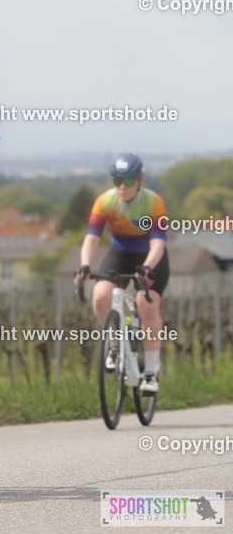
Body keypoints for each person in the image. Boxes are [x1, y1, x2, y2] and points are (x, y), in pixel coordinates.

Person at [74, 153, 167, 394]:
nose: (122, 187)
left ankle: (151, 372)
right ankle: (115, 343)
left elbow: (158, 242)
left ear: (140, 181)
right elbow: (92, 238)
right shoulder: (105, 201)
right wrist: (85, 264)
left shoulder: (154, 202)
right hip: (121, 254)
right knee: (100, 296)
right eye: (117, 181)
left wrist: (147, 266)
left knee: (146, 305)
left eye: (128, 181)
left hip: (151, 256)